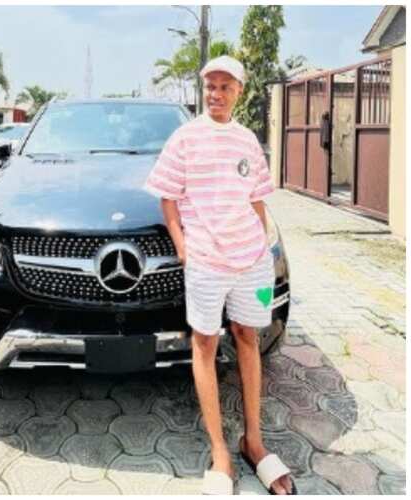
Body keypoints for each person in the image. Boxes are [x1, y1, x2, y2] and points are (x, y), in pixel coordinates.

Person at [144, 55, 296, 496]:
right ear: (202, 89)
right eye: (210, 86)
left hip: (251, 259)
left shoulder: (248, 140)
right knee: (205, 343)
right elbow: (168, 199)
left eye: (225, 87)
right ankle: (220, 453)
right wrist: (183, 248)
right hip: (206, 261)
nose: (216, 94)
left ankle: (254, 441)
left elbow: (258, 199)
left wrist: (265, 244)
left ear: (239, 93)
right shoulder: (184, 138)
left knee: (248, 337)